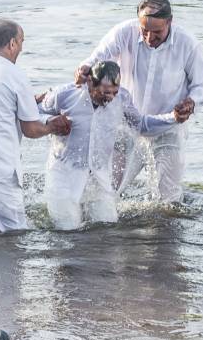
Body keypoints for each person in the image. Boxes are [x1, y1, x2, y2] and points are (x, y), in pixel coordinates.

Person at [76, 0, 203, 203]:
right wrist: (85, 68)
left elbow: (202, 86)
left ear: (169, 22)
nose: (149, 38)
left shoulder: (188, 44)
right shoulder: (123, 32)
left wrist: (191, 103)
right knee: (105, 189)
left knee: (169, 199)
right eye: (144, 30)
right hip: (125, 124)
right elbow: (99, 56)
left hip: (167, 127)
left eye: (156, 32)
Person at [0, 18, 72, 232]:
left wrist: (29, 101)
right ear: (12, 43)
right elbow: (31, 129)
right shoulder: (14, 74)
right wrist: (54, 126)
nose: (22, 48)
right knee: (14, 237)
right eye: (22, 41)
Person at [39, 60, 179, 229]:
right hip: (64, 175)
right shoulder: (64, 95)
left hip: (99, 177)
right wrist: (49, 121)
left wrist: (173, 118)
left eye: (114, 92)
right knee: (67, 228)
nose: (110, 98)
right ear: (90, 82)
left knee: (107, 225)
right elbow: (34, 113)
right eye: (105, 92)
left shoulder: (122, 99)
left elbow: (141, 124)